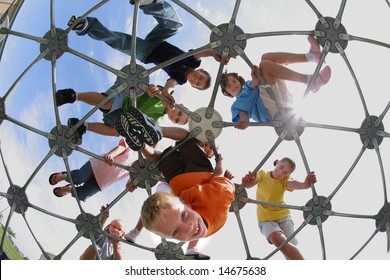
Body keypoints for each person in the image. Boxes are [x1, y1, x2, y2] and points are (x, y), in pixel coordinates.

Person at [68, 0, 228, 104]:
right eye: (200, 77)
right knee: (176, 25)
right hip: (159, 41)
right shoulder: (194, 62)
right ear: (201, 70)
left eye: (197, 83)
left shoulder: (180, 78)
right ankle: (149, 3)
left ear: (193, 86)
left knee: (120, 42)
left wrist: (167, 94)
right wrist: (214, 53)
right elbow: (202, 52)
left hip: (148, 53)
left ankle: (86, 26)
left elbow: (170, 85)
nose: (196, 79)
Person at [137, 128, 236, 243]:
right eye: (183, 215)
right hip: (197, 171)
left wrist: (219, 163)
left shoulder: (204, 222)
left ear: (185, 203)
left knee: (162, 158)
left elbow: (217, 175)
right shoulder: (219, 199)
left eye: (176, 232)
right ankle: (151, 135)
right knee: (185, 140)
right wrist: (220, 162)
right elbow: (217, 176)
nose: (188, 228)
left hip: (178, 180)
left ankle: (141, 143)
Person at [124, 141, 217, 259]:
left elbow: (213, 184)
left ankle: (191, 248)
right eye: (206, 144)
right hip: (170, 182)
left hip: (189, 193)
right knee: (157, 207)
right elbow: (164, 161)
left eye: (211, 148)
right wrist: (138, 178)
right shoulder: (191, 152)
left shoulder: (206, 166)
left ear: (212, 154)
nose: (207, 148)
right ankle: (136, 230)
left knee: (198, 216)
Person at [219, 36, 331, 130]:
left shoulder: (248, 85)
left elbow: (254, 84)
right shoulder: (236, 106)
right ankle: (310, 81)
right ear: (227, 92)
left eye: (234, 81)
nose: (233, 85)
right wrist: (243, 122)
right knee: (265, 65)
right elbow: (244, 116)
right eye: (228, 86)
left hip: (277, 96)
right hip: (271, 112)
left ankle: (312, 56)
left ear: (239, 80)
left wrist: (256, 76)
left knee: (265, 57)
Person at [56, 83, 189, 144]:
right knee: (108, 103)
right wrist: (157, 90)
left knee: (118, 131)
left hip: (121, 114)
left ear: (173, 122)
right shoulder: (165, 96)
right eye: (179, 113)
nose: (175, 116)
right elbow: (168, 84)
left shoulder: (158, 119)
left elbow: (154, 134)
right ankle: (72, 95)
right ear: (180, 106)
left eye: (176, 120)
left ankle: (82, 125)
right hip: (125, 95)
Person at [241, 157, 317, 260]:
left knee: (290, 246)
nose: (280, 172)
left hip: (283, 216)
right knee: (277, 239)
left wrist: (304, 185)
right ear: (277, 162)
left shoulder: (284, 180)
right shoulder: (263, 174)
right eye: (281, 167)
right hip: (265, 218)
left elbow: (291, 184)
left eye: (285, 172)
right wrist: (248, 181)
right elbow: (252, 182)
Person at [49, 138, 137, 201]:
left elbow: (135, 174)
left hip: (104, 180)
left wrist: (130, 184)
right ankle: (62, 176)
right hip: (100, 165)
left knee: (83, 195)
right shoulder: (136, 145)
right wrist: (111, 155)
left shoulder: (143, 163)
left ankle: (68, 189)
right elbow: (122, 147)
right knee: (78, 178)